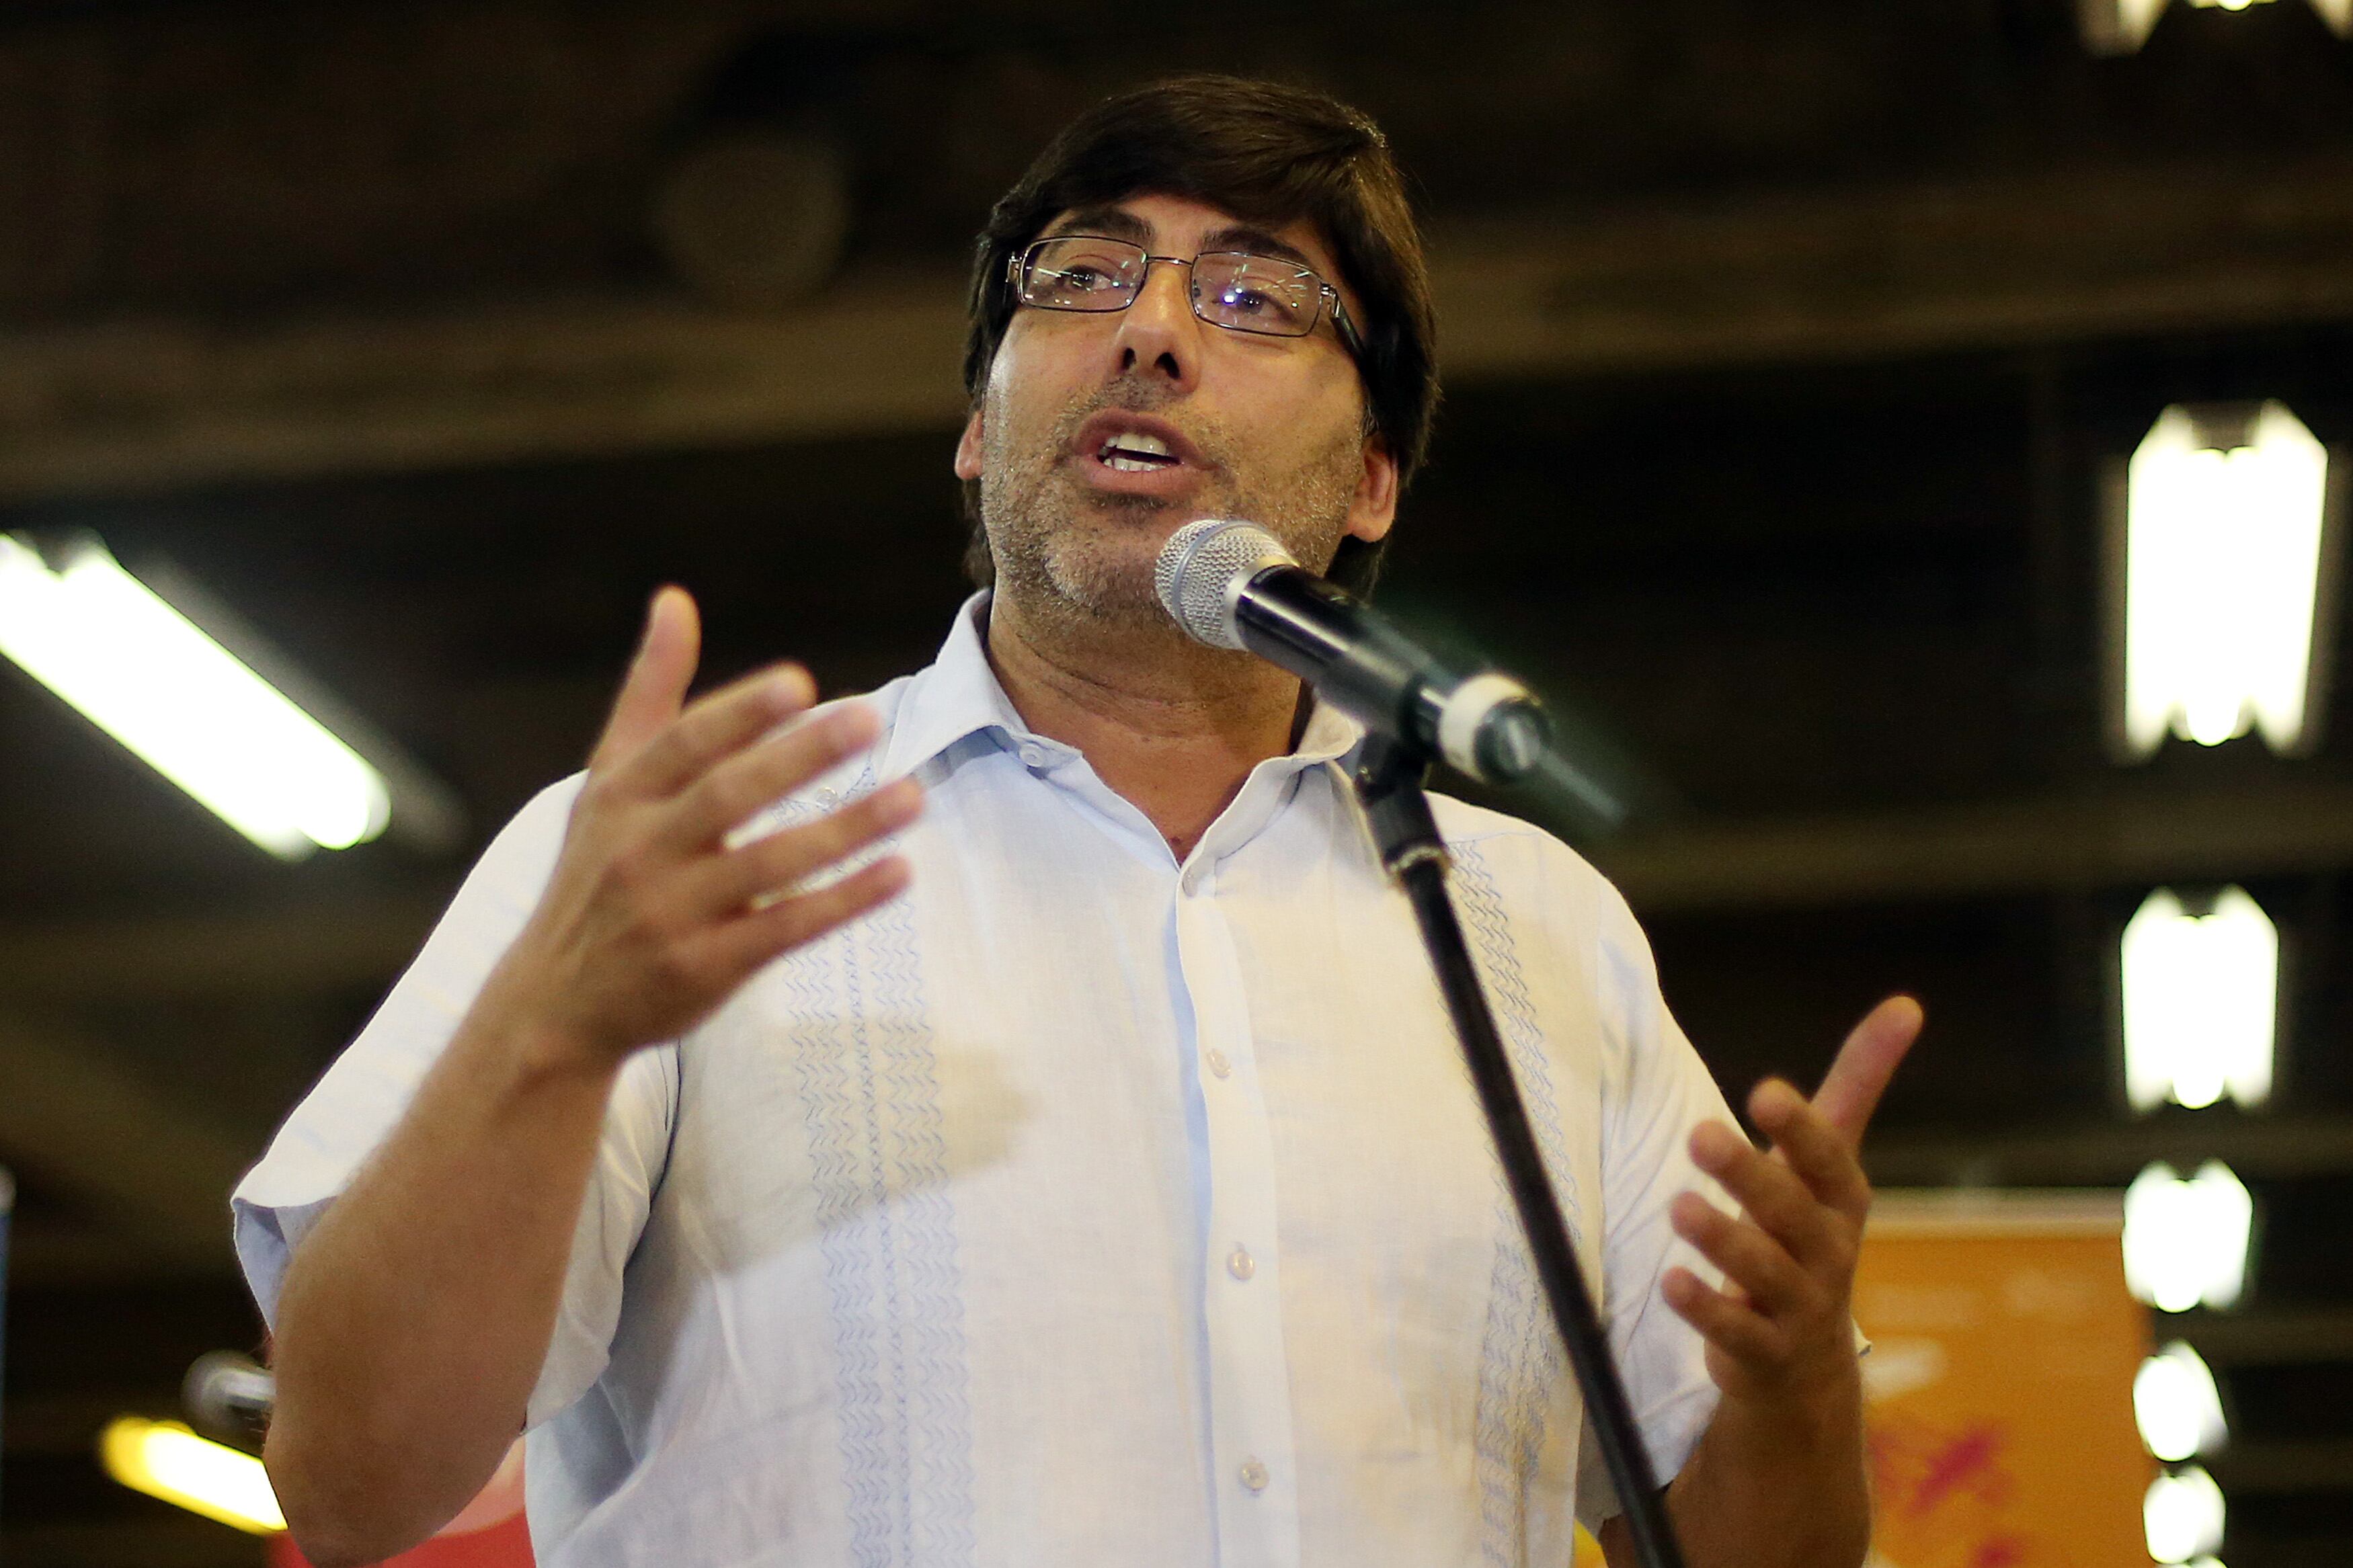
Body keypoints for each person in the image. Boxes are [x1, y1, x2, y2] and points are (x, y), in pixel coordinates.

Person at [235, 75, 1921, 1568]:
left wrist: (1783, 1382)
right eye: (1086, 278)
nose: (1153, 330)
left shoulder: (1536, 932)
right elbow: (354, 1487)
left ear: (1371, 481)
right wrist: (551, 1042)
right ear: (981, 429)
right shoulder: (675, 856)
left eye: (1259, 297)